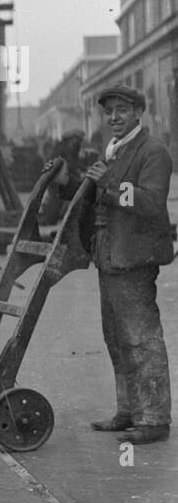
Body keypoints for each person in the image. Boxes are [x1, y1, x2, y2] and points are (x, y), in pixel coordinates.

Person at [45, 84, 172, 445]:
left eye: (122, 110)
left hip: (134, 258)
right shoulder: (114, 150)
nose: (114, 118)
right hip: (110, 256)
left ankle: (153, 419)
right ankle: (129, 411)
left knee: (141, 339)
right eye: (109, 112)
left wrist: (110, 184)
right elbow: (98, 195)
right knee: (116, 338)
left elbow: (151, 201)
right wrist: (68, 181)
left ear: (138, 113)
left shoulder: (153, 152)